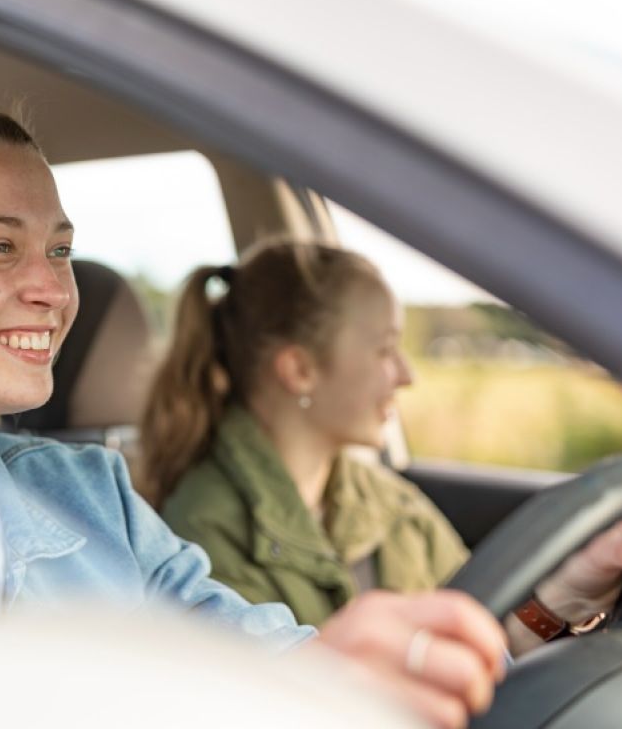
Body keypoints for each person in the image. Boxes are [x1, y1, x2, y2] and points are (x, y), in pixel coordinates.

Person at [0, 27, 622, 729]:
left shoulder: (88, 495)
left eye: (59, 249)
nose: (51, 289)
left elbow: (289, 672)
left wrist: (551, 592)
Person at [141, 242, 466, 628]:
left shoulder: (391, 503)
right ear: (299, 370)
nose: (406, 375)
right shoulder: (203, 535)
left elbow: (488, 630)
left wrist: (545, 612)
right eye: (385, 349)